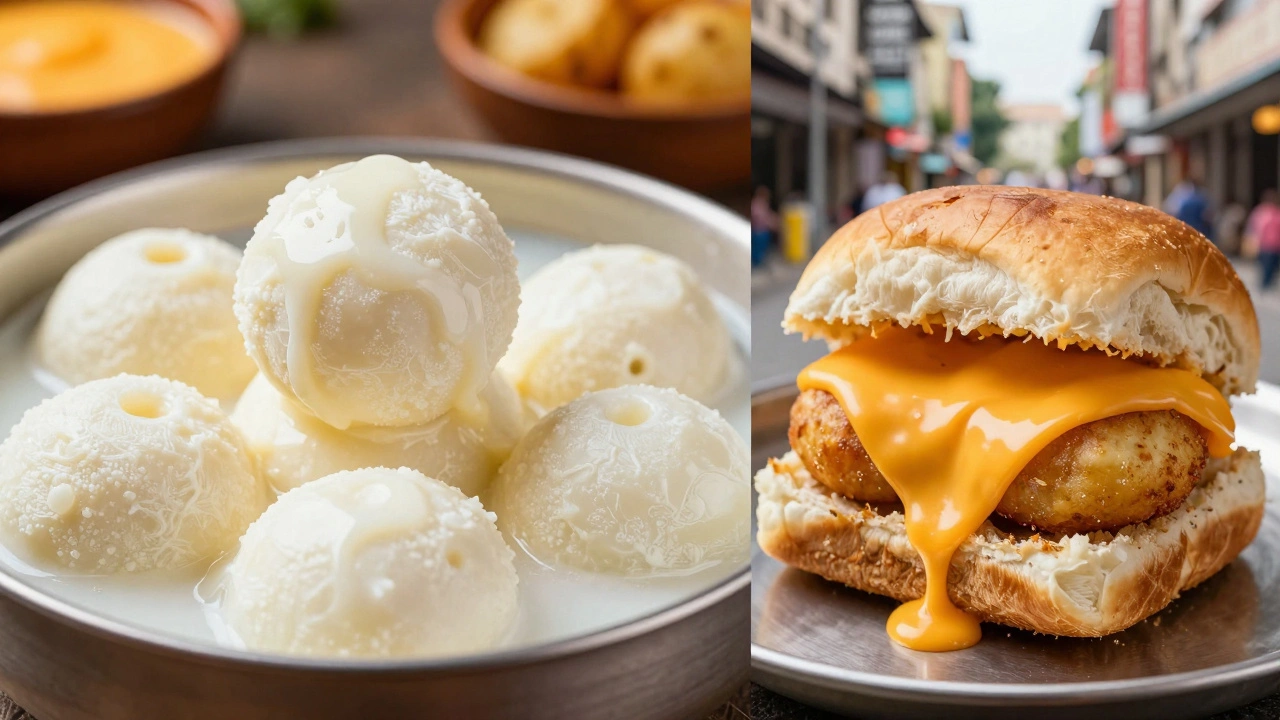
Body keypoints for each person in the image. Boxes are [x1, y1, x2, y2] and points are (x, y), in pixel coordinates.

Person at [1247, 189, 1280, 290]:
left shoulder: (1275, 212)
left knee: (1273, 269)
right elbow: (1255, 229)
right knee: (1266, 268)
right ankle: (1265, 288)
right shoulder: (1261, 212)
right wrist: (1253, 241)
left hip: (1275, 245)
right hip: (1266, 245)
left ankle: (1266, 287)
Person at [750, 185, 779, 267]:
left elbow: (768, 215)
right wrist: (772, 223)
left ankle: (759, 261)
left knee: (762, 248)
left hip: (763, 231)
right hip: (758, 231)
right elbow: (761, 217)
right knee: (757, 249)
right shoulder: (757, 204)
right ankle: (756, 263)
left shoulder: (763, 204)